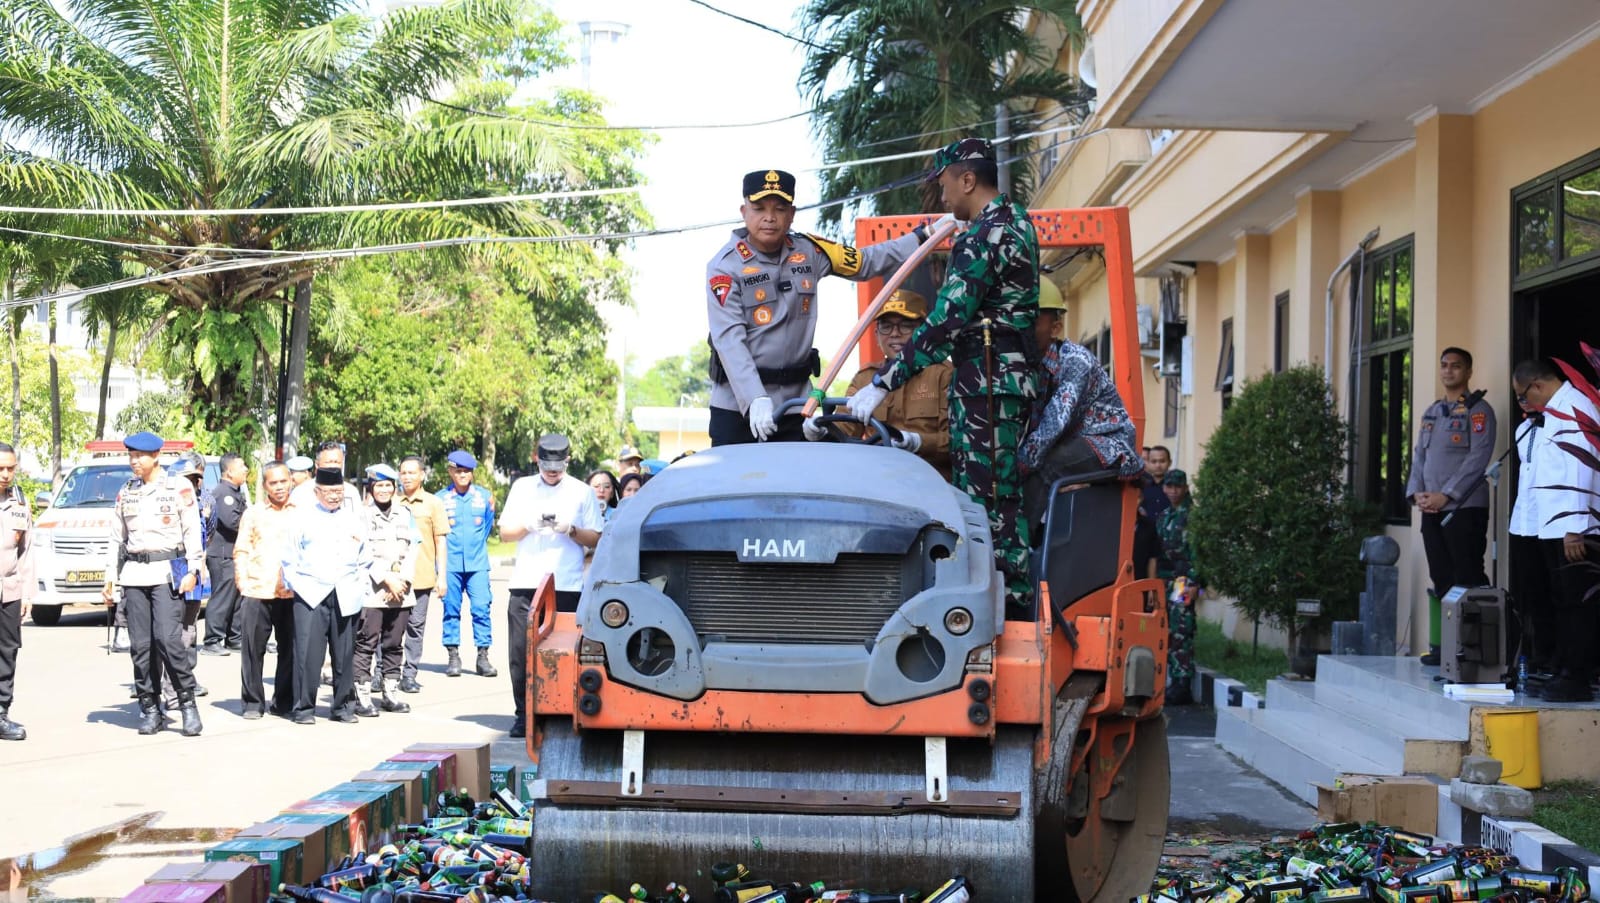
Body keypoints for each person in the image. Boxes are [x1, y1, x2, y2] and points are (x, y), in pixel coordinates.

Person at [846, 138, 1039, 612]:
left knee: (987, 506)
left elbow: (947, 319)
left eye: (945, 184)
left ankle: (1006, 611)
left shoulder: (986, 234)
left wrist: (884, 381)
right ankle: (997, 605)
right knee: (993, 500)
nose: (942, 195)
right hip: (994, 382)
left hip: (987, 385)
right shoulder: (1014, 222)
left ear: (968, 180)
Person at [706, 168, 940, 446]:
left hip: (795, 406)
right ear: (744, 212)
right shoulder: (724, 267)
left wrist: (924, 235)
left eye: (779, 209)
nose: (769, 217)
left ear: (792, 214)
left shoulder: (810, 251)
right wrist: (754, 397)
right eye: (759, 209)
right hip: (739, 407)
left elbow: (866, 262)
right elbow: (729, 340)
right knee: (736, 474)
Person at [500, 434, 604, 738]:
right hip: (526, 581)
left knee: (562, 653)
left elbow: (596, 537)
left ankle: (559, 713)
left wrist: (570, 529)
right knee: (520, 652)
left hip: (566, 583)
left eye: (557, 469)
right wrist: (528, 525)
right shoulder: (522, 487)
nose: (552, 474)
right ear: (537, 460)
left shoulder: (581, 491)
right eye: (546, 468)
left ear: (567, 462)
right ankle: (524, 714)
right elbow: (505, 533)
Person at [1017, 278, 1142, 530]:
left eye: (1032, 320)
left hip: (1107, 442)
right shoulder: (1029, 364)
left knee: (1047, 465)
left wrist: (1018, 464)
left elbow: (1055, 421)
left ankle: (1017, 543)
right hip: (1072, 441)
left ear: (1055, 328)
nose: (1021, 327)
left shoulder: (1076, 361)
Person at [101, 431, 204, 737]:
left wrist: (194, 569)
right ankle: (149, 707)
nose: (134, 461)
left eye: (140, 456)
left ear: (156, 456)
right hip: (135, 574)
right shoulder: (127, 491)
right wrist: (110, 574)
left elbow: (192, 531)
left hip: (167, 573)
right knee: (141, 646)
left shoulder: (178, 487)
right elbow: (116, 537)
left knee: (169, 641)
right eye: (131, 456)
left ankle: (187, 703)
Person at [1512, 359, 1597, 702]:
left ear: (1537, 385)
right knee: (1561, 600)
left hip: (1571, 527)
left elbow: (1580, 468)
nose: (1524, 403)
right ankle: (1562, 667)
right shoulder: (1551, 413)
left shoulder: (1575, 406)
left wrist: (1575, 527)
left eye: (1523, 395)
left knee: (1577, 603)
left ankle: (1577, 677)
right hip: (1552, 526)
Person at [1405, 347, 1495, 666]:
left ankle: (1474, 650)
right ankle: (1447, 648)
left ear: (1468, 372)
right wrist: (1417, 493)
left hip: (1464, 508)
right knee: (1442, 577)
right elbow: (1419, 456)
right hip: (1432, 509)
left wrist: (1447, 495)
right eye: (1444, 365)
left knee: (1466, 576)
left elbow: (1478, 458)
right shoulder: (1432, 412)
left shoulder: (1479, 411)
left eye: (1456, 366)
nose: (1448, 371)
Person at [822, 289, 952, 476]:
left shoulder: (944, 374)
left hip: (933, 481)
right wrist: (821, 432)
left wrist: (918, 442)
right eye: (886, 326)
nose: (895, 334)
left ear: (923, 332)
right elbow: (844, 430)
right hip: (879, 482)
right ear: (876, 335)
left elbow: (960, 441)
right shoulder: (865, 378)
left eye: (906, 325)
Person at [280, 467, 370, 724]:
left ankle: (343, 707)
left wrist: (360, 587)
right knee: (307, 655)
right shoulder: (302, 518)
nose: (334, 496)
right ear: (317, 492)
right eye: (328, 491)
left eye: (338, 491)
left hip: (346, 593)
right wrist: (299, 586)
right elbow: (289, 558)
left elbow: (365, 558)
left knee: (344, 655)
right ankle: (303, 709)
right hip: (311, 593)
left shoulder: (354, 519)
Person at [353, 464, 418, 717]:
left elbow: (414, 549)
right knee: (366, 643)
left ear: (394, 487)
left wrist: (403, 580)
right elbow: (363, 553)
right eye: (378, 485)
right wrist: (387, 579)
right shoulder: (362, 516)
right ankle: (362, 696)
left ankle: (390, 694)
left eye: (387, 485)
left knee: (394, 644)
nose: (383, 490)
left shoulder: (405, 514)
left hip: (401, 591)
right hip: (374, 590)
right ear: (371, 488)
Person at [234, 460, 297, 719]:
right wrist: (243, 582)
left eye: (283, 481)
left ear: (291, 481)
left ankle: (284, 701)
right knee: (252, 650)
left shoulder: (302, 512)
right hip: (257, 590)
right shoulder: (254, 513)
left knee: (290, 649)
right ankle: (253, 702)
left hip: (292, 592)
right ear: (265, 485)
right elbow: (241, 549)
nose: (279, 487)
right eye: (273, 482)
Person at [1508, 384, 1555, 683]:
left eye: (1526, 395)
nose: (1523, 402)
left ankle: (1552, 656)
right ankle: (1533, 655)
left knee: (1551, 592)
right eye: (1519, 398)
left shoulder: (1556, 427)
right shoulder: (1522, 429)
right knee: (1529, 592)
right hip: (1522, 521)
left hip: (1547, 521)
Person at [436, 449, 496, 678]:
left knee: (481, 608)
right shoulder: (440, 499)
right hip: (450, 564)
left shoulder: (484, 497)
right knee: (451, 610)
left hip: (477, 564)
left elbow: (487, 527)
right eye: (458, 471)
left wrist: (475, 548)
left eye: (467, 471)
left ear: (472, 473)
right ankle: (453, 655)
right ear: (450, 472)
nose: (462, 475)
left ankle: (483, 656)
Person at [396, 455, 450, 694]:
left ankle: (409, 674)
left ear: (422, 475)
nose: (407, 477)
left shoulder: (433, 503)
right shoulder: (392, 501)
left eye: (412, 472)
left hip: (422, 576)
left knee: (415, 628)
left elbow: (441, 541)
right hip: (395, 578)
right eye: (403, 472)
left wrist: (442, 576)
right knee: (389, 629)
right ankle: (383, 674)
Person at [0, 442, 33, 741]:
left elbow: (26, 552)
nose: (6, 474)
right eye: (0, 468)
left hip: (9, 590)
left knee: (7, 652)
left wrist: (27, 594)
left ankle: (1, 713)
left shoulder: (20, 503)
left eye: (10, 468)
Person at [200, 453, 248, 655]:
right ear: (229, 471)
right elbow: (232, 522)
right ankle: (212, 640)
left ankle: (234, 638)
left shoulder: (235, 492)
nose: (246, 469)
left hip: (233, 553)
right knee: (222, 597)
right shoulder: (223, 493)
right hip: (222, 554)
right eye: (241, 466)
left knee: (236, 598)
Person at [1158, 469, 1196, 703]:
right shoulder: (1164, 516)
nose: (1173, 491)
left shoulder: (1192, 516)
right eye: (1169, 486)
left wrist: (1195, 583)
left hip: (1184, 581)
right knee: (1168, 630)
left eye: (1178, 487)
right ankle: (1173, 680)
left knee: (1182, 628)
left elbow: (1198, 553)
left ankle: (1183, 683)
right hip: (1165, 580)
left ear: (1185, 488)